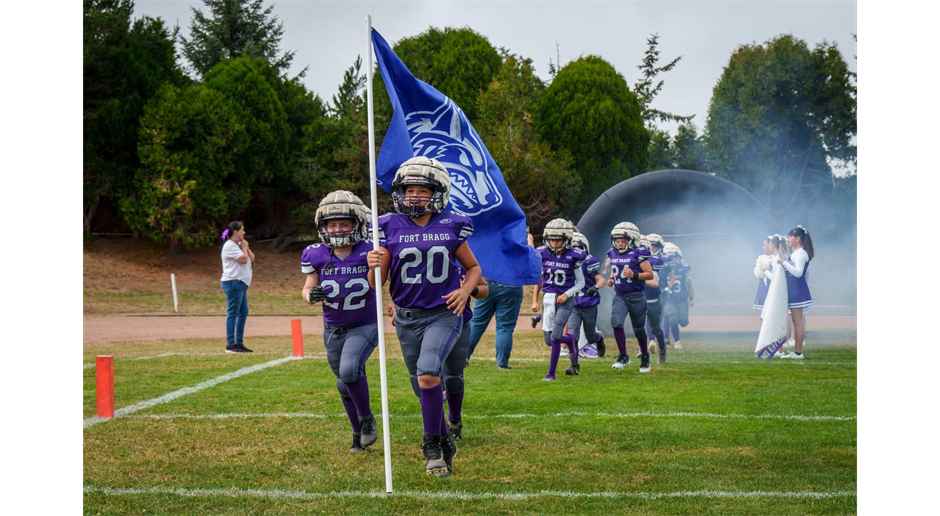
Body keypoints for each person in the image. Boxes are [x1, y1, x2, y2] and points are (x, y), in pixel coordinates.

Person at [367, 157, 482, 478]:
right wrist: (374, 265)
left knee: (430, 373)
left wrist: (465, 291)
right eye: (410, 190)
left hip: (444, 313)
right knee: (421, 383)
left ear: (438, 192)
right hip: (406, 317)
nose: (415, 196)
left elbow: (473, 268)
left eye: (422, 190)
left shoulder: (452, 223)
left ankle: (431, 446)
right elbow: (378, 284)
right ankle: (444, 438)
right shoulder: (388, 226)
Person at [301, 191, 379, 454]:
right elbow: (307, 287)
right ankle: (356, 433)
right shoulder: (314, 253)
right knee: (342, 382)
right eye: (332, 224)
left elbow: (378, 284)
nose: (337, 229)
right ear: (322, 227)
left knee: (349, 370)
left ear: (357, 224)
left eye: (344, 224)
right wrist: (310, 296)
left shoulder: (370, 249)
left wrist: (373, 265)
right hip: (332, 327)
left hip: (364, 323)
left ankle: (367, 419)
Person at [533, 219, 586, 380]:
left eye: (558, 239)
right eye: (552, 239)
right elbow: (539, 277)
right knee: (549, 340)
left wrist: (567, 294)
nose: (555, 243)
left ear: (567, 239)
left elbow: (581, 283)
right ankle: (570, 340)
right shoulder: (542, 253)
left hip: (564, 300)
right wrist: (535, 299)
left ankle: (551, 374)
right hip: (548, 299)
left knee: (555, 336)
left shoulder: (574, 256)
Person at [606, 223, 655, 373]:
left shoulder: (639, 254)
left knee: (639, 329)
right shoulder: (612, 253)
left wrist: (634, 275)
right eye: (617, 241)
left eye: (623, 241)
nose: (619, 244)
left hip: (636, 296)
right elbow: (616, 269)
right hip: (620, 295)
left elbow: (650, 274)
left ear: (632, 240)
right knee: (616, 322)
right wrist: (611, 278)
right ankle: (623, 356)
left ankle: (645, 356)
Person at [567, 232, 607, 361]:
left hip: (588, 303)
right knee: (572, 334)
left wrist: (594, 288)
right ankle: (574, 364)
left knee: (591, 337)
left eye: (577, 247)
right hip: (573, 303)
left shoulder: (589, 262)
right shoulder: (565, 261)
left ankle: (599, 338)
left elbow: (602, 280)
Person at [779, 226, 814, 359]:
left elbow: (798, 273)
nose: (788, 240)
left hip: (797, 290)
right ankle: (796, 351)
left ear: (797, 239)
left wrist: (784, 262)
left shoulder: (801, 253)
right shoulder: (796, 253)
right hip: (793, 289)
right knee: (795, 320)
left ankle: (798, 352)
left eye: (790, 237)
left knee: (797, 321)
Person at [220, 221, 255, 354]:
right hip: (233, 282)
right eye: (242, 230)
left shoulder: (238, 245)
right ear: (235, 232)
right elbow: (243, 260)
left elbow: (252, 258)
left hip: (241, 283)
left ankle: (239, 343)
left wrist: (245, 247)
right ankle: (230, 344)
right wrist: (244, 248)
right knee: (233, 313)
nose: (244, 233)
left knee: (243, 312)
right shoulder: (229, 246)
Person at [643, 234, 671, 365]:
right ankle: (643, 349)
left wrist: (636, 276)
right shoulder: (634, 259)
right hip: (640, 296)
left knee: (655, 326)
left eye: (654, 246)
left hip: (656, 295)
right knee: (639, 325)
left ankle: (662, 348)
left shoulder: (658, 260)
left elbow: (654, 282)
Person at [663, 243, 693, 351]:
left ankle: (667, 335)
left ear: (678, 257)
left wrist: (691, 298)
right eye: (669, 257)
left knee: (684, 322)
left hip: (682, 299)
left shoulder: (684, 268)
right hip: (669, 299)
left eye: (673, 257)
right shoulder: (662, 267)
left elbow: (689, 284)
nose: (672, 259)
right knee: (673, 319)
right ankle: (677, 341)